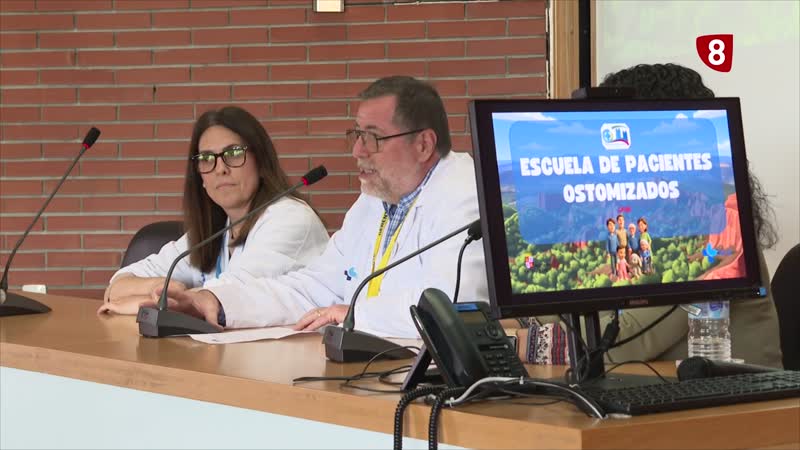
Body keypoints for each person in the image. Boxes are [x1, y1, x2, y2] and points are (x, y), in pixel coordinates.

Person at [163, 76, 487, 338]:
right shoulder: (372, 203)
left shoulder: (466, 193)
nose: (357, 150)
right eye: (356, 135)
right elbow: (313, 288)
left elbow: (456, 305)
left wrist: (355, 313)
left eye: (372, 138)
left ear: (423, 144)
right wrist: (219, 303)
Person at [528, 63, 782, 368]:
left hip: (738, 409)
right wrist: (515, 321)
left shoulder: (709, 226)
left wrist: (518, 343)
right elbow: (590, 307)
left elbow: (621, 343)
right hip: (667, 398)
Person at [99, 106, 329, 317]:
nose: (220, 169)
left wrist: (149, 300)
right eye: (207, 158)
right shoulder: (216, 229)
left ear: (261, 163)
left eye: (234, 153)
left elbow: (225, 297)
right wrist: (171, 289)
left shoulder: (290, 219)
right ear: (200, 176)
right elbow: (119, 284)